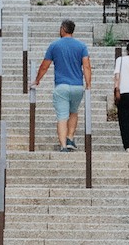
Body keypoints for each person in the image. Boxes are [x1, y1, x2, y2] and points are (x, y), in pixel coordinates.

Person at [32, 19, 92, 151]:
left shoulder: (54, 45)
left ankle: (63, 145)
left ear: (63, 29)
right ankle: (70, 137)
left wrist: (37, 80)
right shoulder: (81, 46)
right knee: (74, 112)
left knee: (62, 116)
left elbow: (44, 66)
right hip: (77, 86)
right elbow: (86, 66)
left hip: (61, 87)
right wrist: (88, 84)